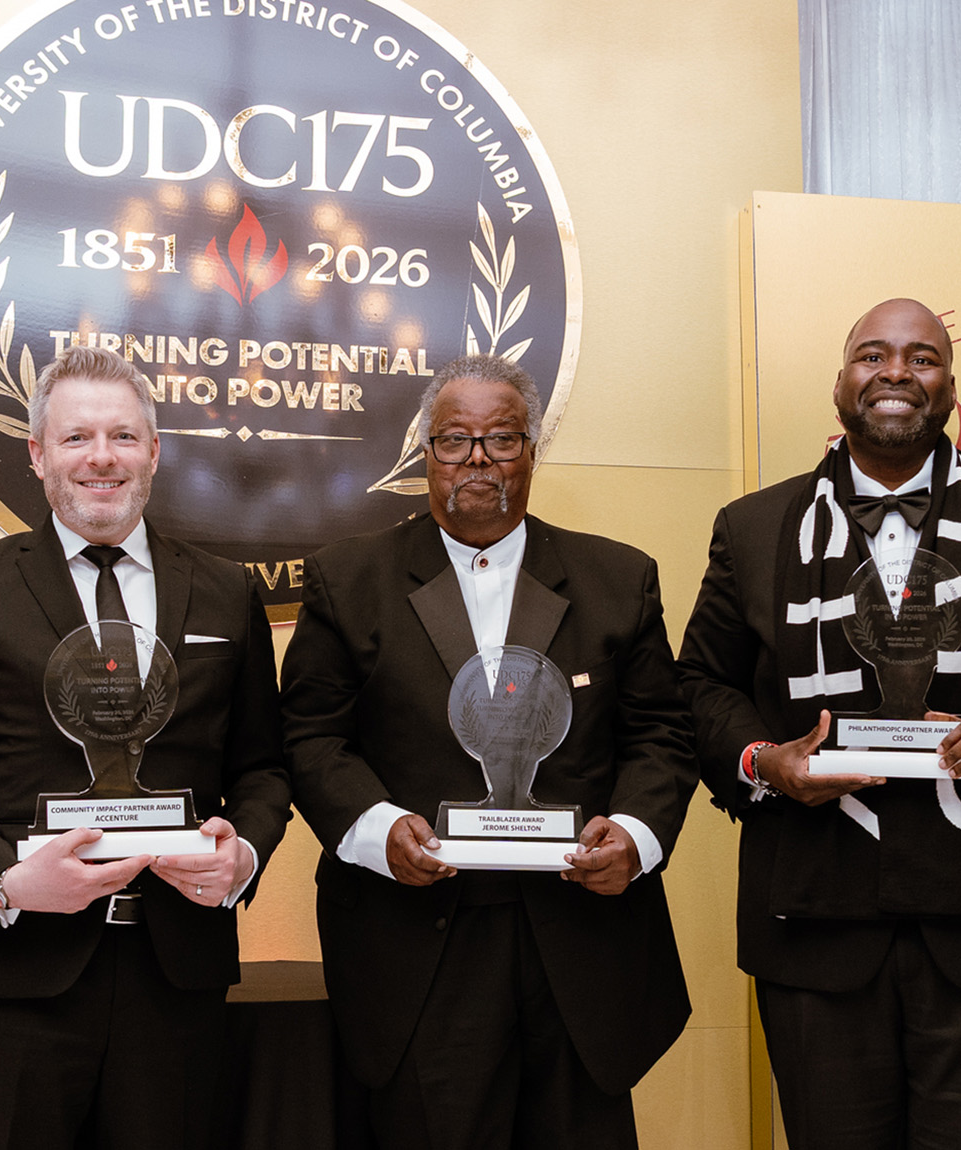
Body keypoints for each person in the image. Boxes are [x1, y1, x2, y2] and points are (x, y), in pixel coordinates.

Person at [675, 298, 961, 1149]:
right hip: (814, 922)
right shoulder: (754, 528)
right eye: (873, 355)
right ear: (840, 384)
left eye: (922, 358)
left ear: (951, 388)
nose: (896, 372)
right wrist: (763, 760)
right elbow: (701, 682)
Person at [280, 353, 699, 1149]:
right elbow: (310, 736)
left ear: (532, 451)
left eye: (501, 440)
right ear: (425, 453)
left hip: (579, 939)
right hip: (420, 943)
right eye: (454, 441)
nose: (477, 460)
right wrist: (377, 830)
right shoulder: (349, 579)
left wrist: (636, 836)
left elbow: (661, 734)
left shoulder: (618, 577)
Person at [0, 346, 290, 1150]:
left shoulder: (227, 590)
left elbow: (263, 766)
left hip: (178, 972)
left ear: (154, 451)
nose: (101, 457)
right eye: (76, 437)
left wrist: (243, 854)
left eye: (123, 436)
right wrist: (7, 880)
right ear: (39, 455)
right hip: (23, 972)